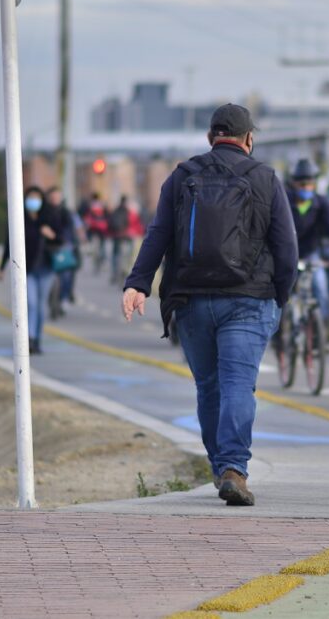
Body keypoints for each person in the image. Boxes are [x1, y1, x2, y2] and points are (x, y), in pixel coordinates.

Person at [121, 104, 298, 507]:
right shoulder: (265, 178)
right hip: (248, 300)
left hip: (192, 300)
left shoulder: (183, 176)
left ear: (210, 138)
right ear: (249, 139)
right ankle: (234, 468)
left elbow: (158, 234)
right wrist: (279, 297)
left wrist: (138, 284)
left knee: (209, 387)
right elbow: (287, 248)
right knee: (238, 383)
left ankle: (221, 467)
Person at [286, 158, 329, 330]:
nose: (306, 188)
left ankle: (323, 330)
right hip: (288, 255)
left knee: (321, 288)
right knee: (281, 294)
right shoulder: (284, 202)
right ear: (294, 184)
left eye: (310, 184)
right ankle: (280, 336)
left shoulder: (322, 204)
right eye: (302, 184)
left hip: (311, 254)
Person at [0, 185, 59, 355]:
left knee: (40, 307)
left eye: (36, 199)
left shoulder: (49, 217)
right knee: (30, 303)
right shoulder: (19, 219)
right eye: (30, 199)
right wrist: (2, 267)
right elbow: (9, 243)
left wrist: (52, 236)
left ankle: (37, 339)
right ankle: (29, 338)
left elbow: (62, 239)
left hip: (46, 269)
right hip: (28, 269)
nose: (33, 202)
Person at [45, 186, 82, 314]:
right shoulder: (44, 212)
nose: (55, 199)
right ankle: (52, 301)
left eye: (57, 196)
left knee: (66, 276)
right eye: (53, 196)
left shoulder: (66, 213)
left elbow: (71, 231)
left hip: (62, 248)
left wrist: (68, 243)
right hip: (48, 249)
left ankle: (62, 299)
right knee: (49, 279)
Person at [108, 194, 145, 285]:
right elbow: (137, 225)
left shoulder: (116, 211)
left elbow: (110, 223)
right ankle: (125, 271)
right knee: (128, 256)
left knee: (116, 255)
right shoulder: (130, 212)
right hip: (128, 237)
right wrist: (140, 233)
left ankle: (115, 273)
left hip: (117, 237)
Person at [83, 193, 109, 274]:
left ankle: (94, 260)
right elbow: (107, 216)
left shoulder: (90, 205)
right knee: (102, 245)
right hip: (101, 228)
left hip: (92, 229)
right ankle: (103, 259)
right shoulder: (102, 205)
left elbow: (86, 216)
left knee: (93, 245)